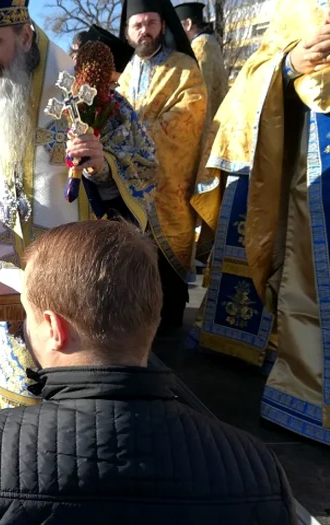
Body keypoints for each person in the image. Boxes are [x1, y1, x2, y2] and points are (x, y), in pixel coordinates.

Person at [0, 220, 296, 525]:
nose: (22, 330)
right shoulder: (255, 467)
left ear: (54, 328)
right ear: (153, 318)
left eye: (25, 316)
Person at [0, 0, 157, 417]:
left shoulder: (91, 100)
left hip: (78, 284)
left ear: (25, 36)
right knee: (9, 411)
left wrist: (102, 169)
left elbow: (145, 168)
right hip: (1, 289)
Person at [189, 0, 330, 444]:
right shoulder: (300, 6)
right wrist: (289, 65)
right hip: (318, 164)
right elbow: (256, 73)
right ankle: (309, 391)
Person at [118, 0, 208, 333]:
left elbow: (189, 118)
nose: (145, 30)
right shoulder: (127, 72)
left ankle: (170, 331)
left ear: (162, 25)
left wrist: (133, 136)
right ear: (128, 32)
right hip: (130, 188)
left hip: (167, 187)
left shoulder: (184, 67)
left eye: (150, 23)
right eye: (137, 25)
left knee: (167, 278)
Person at [175, 2, 228, 127]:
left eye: (177, 27)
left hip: (204, 119)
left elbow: (195, 88)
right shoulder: (211, 42)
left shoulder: (200, 46)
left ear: (187, 24)